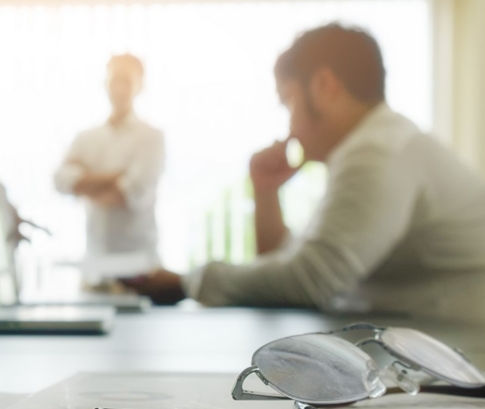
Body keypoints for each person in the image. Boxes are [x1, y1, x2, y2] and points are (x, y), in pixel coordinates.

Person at [126, 24, 485, 322]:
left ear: (324, 86)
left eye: (289, 101)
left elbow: (310, 282)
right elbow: (292, 263)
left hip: (461, 361)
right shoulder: (375, 146)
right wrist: (265, 193)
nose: (291, 127)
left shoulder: (376, 154)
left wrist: (187, 282)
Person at [54, 54, 165, 281]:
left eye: (127, 81)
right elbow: (60, 181)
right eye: (115, 80)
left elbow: (126, 194)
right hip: (95, 265)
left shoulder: (152, 137)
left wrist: (84, 182)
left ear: (140, 85)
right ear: (105, 83)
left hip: (141, 269)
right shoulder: (86, 138)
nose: (120, 88)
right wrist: (116, 176)